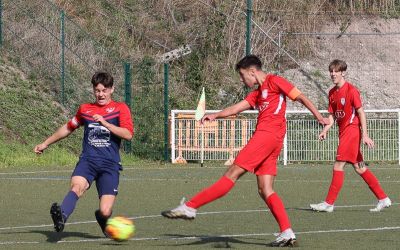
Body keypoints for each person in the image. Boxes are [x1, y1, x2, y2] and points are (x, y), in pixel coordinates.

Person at [161, 55, 329, 247]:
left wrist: (319, 117)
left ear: (252, 71)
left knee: (232, 174)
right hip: (273, 140)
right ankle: (287, 232)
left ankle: (190, 207)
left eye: (242, 75)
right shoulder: (258, 93)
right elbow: (236, 108)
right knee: (265, 189)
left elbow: (301, 97)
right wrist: (215, 115)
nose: (242, 80)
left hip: (266, 136)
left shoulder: (275, 81)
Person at [34, 72, 134, 235]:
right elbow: (68, 128)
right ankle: (61, 217)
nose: (100, 94)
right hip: (88, 161)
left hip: (110, 164)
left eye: (104, 90)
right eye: (97, 90)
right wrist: (45, 143)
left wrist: (105, 123)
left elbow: (128, 134)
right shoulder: (85, 109)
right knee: (77, 187)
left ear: (112, 89)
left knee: (106, 211)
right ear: (93, 90)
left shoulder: (120, 108)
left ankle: (102, 218)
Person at [310, 59, 391, 213]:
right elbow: (332, 116)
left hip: (352, 131)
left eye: (336, 71)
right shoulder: (332, 93)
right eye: (331, 71)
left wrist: (365, 135)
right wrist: (325, 129)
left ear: (343, 73)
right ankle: (383, 198)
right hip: (343, 132)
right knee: (359, 167)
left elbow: (360, 112)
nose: (333, 74)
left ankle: (329, 203)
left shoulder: (351, 90)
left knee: (338, 165)